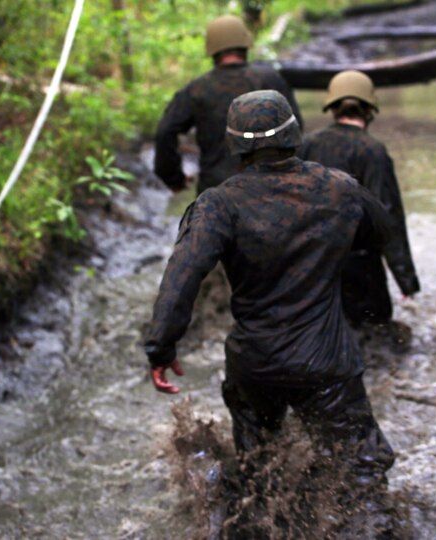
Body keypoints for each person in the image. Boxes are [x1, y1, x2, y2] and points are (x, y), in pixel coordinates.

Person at [145, 90, 395, 492]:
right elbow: (381, 230)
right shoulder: (339, 189)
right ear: (294, 133)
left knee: (259, 474)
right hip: (326, 362)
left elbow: (182, 275)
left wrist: (161, 347)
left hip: (255, 367)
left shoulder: (217, 205)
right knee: (361, 471)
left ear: (233, 143)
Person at [298, 71, 420, 351]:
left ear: (332, 108)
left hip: (312, 267)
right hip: (361, 270)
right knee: (374, 346)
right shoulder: (373, 151)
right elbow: (387, 218)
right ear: (369, 110)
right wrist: (406, 280)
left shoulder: (307, 145)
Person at [153, 14, 303, 195]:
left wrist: (174, 178)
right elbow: (296, 128)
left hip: (217, 193)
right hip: (272, 190)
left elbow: (165, 132)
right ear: (245, 45)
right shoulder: (270, 79)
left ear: (212, 50)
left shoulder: (197, 89)